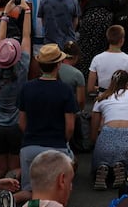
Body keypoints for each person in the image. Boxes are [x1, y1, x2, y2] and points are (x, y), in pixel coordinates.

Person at [17, 44, 78, 199]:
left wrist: (31, 135)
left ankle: (13, 199)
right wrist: (64, 140)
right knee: (57, 194)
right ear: (58, 64)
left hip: (30, 146)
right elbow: (70, 127)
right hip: (56, 147)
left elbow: (21, 122)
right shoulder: (65, 90)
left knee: (31, 191)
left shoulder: (27, 87)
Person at [0, 0, 32, 181]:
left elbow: (0, 39)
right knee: (15, 167)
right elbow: (26, 36)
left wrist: (5, 14)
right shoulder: (22, 68)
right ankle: (10, 190)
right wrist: (27, 11)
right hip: (15, 125)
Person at [91, 69, 128, 190]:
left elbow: (94, 128)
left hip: (106, 137)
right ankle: (121, 165)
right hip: (127, 138)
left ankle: (102, 167)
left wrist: (95, 142)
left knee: (99, 160)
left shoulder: (101, 98)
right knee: (124, 160)